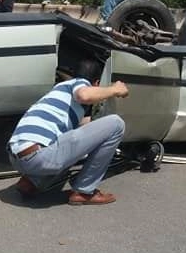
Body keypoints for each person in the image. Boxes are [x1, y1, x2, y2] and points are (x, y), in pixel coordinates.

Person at [7, 58, 128, 205]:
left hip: (18, 156)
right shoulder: (80, 84)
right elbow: (84, 95)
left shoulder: (59, 91)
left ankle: (31, 182)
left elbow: (83, 131)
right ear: (96, 84)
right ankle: (84, 191)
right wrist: (115, 89)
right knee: (116, 123)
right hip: (39, 157)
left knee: (70, 145)